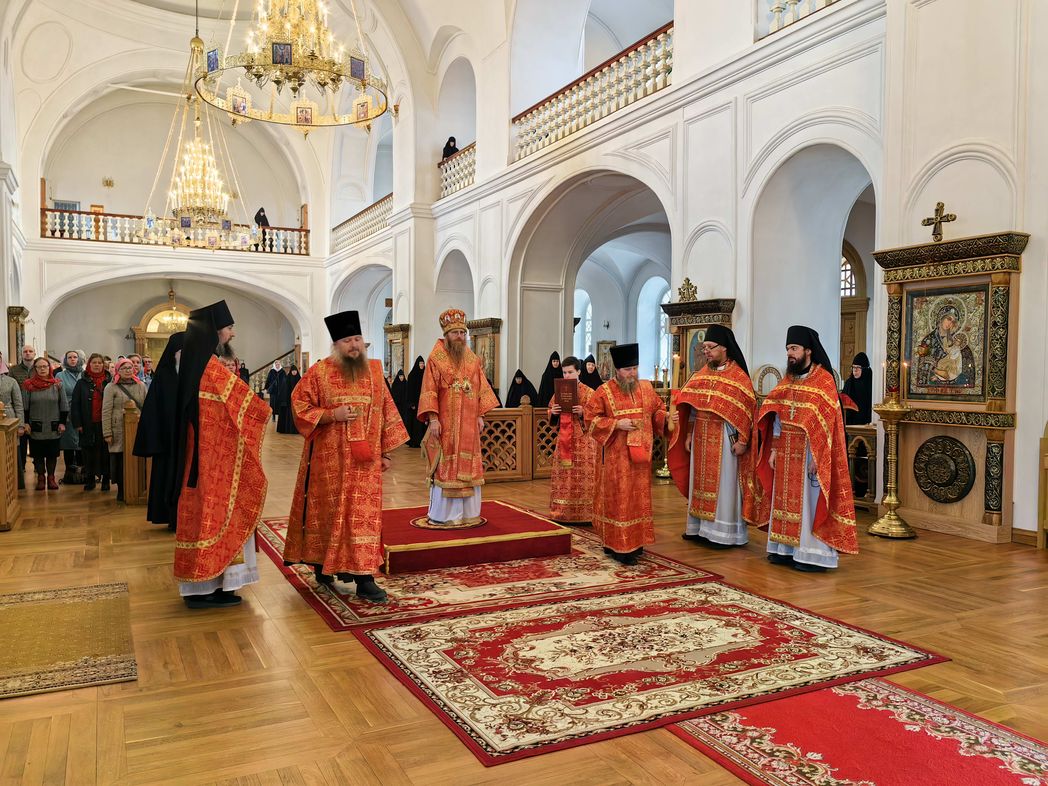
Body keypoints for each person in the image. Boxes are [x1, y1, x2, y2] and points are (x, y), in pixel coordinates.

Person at [282, 310, 408, 601]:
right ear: (336, 345)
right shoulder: (319, 372)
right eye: (348, 340)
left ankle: (365, 578)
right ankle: (321, 565)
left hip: (365, 464)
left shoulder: (374, 372)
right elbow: (299, 404)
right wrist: (331, 415)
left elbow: (387, 412)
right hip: (329, 462)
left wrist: (386, 453)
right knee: (328, 515)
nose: (354, 345)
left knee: (363, 519)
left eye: (358, 339)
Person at [174, 300, 269, 609]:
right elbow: (249, 408)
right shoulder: (210, 369)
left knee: (208, 516)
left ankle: (215, 584)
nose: (232, 334)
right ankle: (203, 589)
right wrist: (265, 410)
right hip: (213, 461)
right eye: (229, 328)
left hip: (208, 458)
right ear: (214, 331)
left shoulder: (196, 364)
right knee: (212, 516)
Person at [754, 326, 858, 572]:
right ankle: (784, 550)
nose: (790, 354)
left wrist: (818, 457)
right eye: (788, 349)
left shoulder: (823, 381)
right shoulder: (788, 380)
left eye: (794, 348)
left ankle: (812, 554)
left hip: (810, 452)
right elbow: (777, 415)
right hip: (786, 449)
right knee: (784, 502)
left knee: (809, 504)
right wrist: (774, 449)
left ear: (808, 351)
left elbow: (829, 426)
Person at [585, 343, 676, 564]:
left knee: (638, 499)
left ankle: (635, 543)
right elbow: (590, 420)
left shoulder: (646, 388)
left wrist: (667, 418)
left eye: (635, 368)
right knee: (619, 501)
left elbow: (656, 411)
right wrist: (616, 424)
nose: (632, 373)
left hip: (640, 457)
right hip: (615, 458)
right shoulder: (604, 392)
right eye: (628, 369)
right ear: (617, 370)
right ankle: (618, 546)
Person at [669, 325, 758, 549]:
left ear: (724, 348)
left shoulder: (738, 377)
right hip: (701, 435)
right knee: (698, 484)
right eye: (704, 347)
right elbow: (692, 406)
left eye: (710, 347)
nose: (706, 352)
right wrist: (689, 433)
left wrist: (743, 441)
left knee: (724, 487)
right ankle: (699, 528)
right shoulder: (703, 373)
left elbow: (748, 413)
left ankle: (722, 533)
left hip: (725, 439)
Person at [418, 309, 499, 526]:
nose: (460, 337)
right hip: (446, 424)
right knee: (446, 466)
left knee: (470, 466)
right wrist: (433, 418)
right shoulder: (436, 359)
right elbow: (429, 390)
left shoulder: (472, 359)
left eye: (463, 333)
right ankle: (445, 515)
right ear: (446, 335)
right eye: (455, 333)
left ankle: (468, 514)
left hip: (469, 423)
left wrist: (480, 414)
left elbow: (481, 387)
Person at [134, 332, 184, 528]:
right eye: (181, 352)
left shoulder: (193, 375)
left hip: (185, 439)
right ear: (173, 353)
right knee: (166, 477)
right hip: (167, 439)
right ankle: (168, 517)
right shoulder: (164, 376)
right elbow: (153, 409)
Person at [547, 356, 599, 525]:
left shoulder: (589, 392)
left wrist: (583, 412)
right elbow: (550, 410)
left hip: (584, 442)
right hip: (564, 441)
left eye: (570, 372)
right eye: (564, 372)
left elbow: (598, 416)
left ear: (578, 372)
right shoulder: (559, 391)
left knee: (584, 477)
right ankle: (562, 512)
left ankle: (587, 514)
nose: (567, 376)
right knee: (564, 475)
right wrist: (553, 413)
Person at [21, 356, 69, 491]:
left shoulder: (57, 384)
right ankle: (41, 478)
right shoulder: (28, 385)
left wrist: (62, 423)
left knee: (52, 454)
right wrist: (26, 423)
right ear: (35, 369)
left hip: (53, 424)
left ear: (49, 368)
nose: (42, 369)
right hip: (36, 425)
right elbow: (25, 407)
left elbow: (64, 405)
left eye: (45, 366)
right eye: (39, 367)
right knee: (38, 454)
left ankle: (51, 478)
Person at [102, 358, 147, 503]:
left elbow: (146, 406)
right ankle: (122, 489)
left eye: (130, 367)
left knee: (137, 458)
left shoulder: (141, 385)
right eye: (124, 368)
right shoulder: (111, 387)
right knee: (120, 460)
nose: (128, 370)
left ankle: (137, 488)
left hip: (137, 426)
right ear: (117, 371)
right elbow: (106, 411)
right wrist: (107, 432)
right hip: (118, 429)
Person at [71, 353, 112, 492]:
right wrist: (77, 423)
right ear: (89, 364)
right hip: (87, 423)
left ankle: (105, 480)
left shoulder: (110, 381)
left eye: (99, 363)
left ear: (103, 365)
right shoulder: (81, 383)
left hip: (105, 423)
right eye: (94, 362)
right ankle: (90, 479)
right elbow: (75, 404)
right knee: (88, 453)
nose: (97, 365)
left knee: (105, 453)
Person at [55, 349, 84, 484]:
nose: (73, 359)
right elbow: (57, 395)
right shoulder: (60, 375)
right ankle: (69, 474)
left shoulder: (84, 374)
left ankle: (83, 473)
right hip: (67, 412)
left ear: (79, 359)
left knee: (81, 443)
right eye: (70, 357)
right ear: (66, 360)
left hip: (82, 412)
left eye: (75, 357)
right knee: (68, 444)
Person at [9, 344, 35, 489]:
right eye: (25, 351)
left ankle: (38, 466)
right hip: (21, 408)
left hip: (37, 408)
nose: (28, 353)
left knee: (36, 439)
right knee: (22, 440)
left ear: (34, 353)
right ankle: (22, 467)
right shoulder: (14, 370)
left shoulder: (39, 368)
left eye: (30, 351)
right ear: (21, 354)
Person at [842, 352, 873, 425]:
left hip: (866, 424)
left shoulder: (870, 383)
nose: (855, 370)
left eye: (858, 367)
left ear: (864, 369)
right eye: (853, 367)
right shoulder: (849, 383)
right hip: (850, 423)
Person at [404, 356, 427, 447]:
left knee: (423, 423)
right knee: (415, 423)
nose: (422, 365)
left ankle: (422, 441)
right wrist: (411, 403)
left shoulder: (426, 375)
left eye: (423, 363)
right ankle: (414, 442)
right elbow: (409, 391)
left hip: (423, 402)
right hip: (415, 404)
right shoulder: (412, 375)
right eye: (420, 363)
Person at [275, 365, 302, 434]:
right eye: (293, 371)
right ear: (291, 371)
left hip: (297, 401)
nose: (294, 372)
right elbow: (284, 390)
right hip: (289, 400)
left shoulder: (300, 379)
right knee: (289, 414)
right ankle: (288, 429)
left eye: (295, 371)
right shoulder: (287, 379)